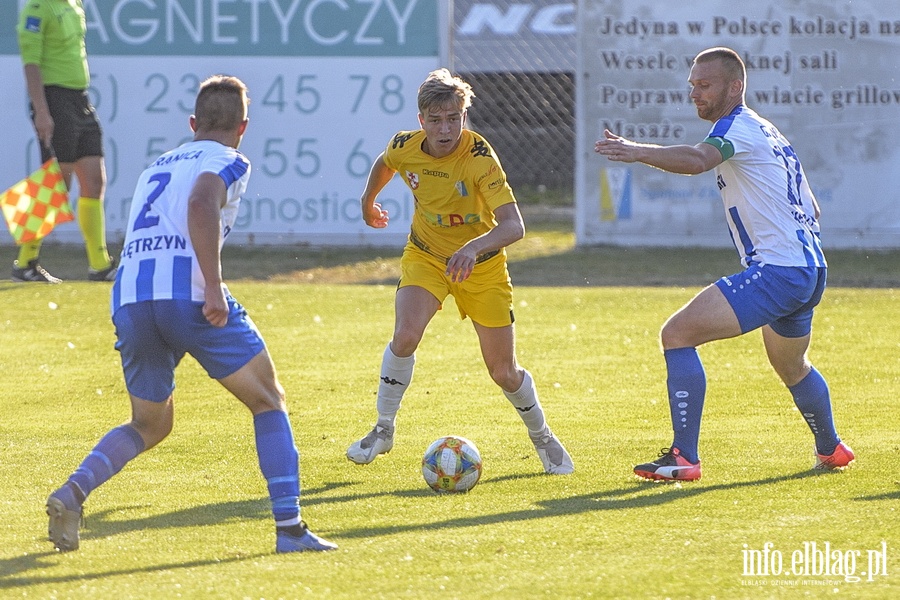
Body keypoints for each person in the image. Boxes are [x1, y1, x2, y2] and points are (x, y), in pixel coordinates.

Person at [45, 75, 336, 554]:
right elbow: (202, 203)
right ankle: (290, 530)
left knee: (150, 424)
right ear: (243, 127)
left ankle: (73, 492)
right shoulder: (229, 159)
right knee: (268, 399)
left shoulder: (156, 164)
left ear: (193, 123)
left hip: (132, 297)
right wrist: (215, 288)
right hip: (189, 297)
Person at [594, 47, 854, 481]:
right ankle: (831, 450)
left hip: (779, 271)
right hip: (809, 270)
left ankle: (684, 457)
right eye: (692, 84)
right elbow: (812, 208)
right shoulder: (767, 131)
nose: (694, 92)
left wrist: (636, 150)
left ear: (735, 87)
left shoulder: (736, 128)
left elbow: (698, 161)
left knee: (676, 335)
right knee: (792, 366)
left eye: (705, 84)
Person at [346, 68, 574, 475]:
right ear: (421, 122)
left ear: (464, 117)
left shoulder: (479, 158)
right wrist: (368, 200)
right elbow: (387, 161)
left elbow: (514, 226)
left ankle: (542, 437)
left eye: (454, 118)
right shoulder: (406, 144)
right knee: (404, 336)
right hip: (427, 257)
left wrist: (473, 246)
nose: (446, 128)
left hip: (481, 268)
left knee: (503, 372)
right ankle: (382, 430)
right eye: (436, 120)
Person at [15, 0, 116, 283]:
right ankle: (25, 263)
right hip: (54, 99)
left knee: (94, 180)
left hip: (80, 99)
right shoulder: (38, 8)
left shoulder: (74, 3)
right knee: (56, 184)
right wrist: (42, 110)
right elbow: (31, 63)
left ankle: (100, 265)